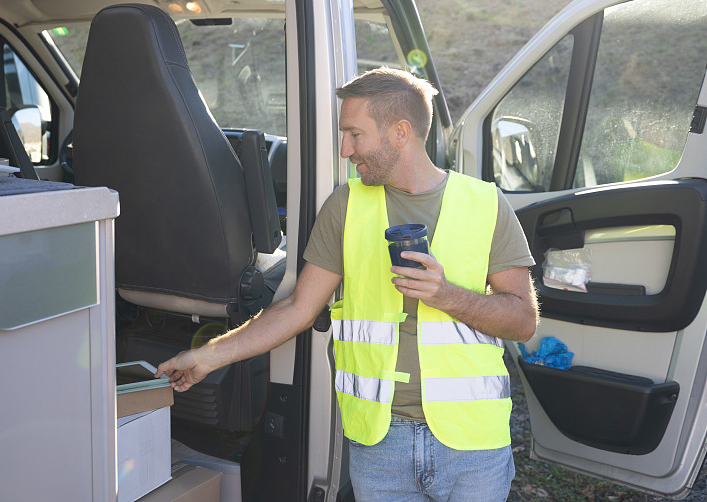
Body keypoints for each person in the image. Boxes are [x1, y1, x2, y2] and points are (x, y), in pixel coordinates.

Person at [156, 67, 538, 501]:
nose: (344, 149)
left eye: (354, 134)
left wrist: (446, 295)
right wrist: (208, 355)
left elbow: (523, 320)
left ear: (400, 132)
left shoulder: (485, 205)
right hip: (381, 442)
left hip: (472, 444)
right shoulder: (346, 205)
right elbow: (298, 308)